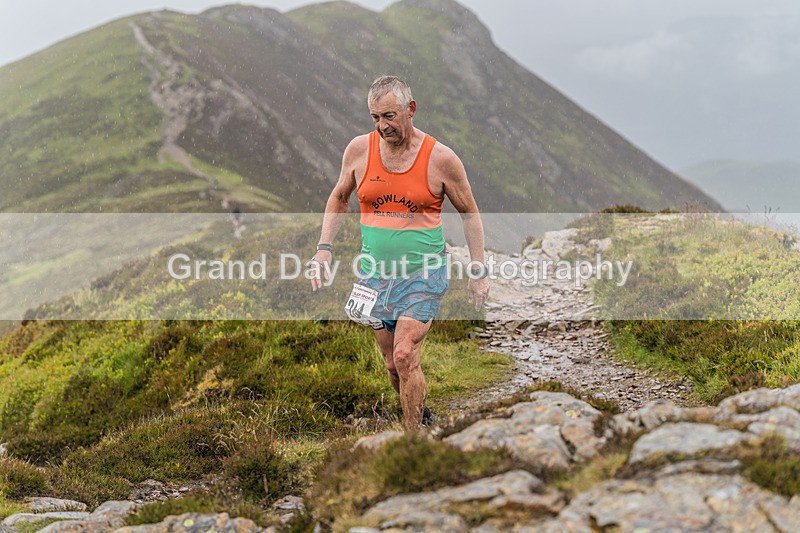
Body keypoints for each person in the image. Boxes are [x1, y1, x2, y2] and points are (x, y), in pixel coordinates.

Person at [311, 75, 489, 429]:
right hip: (374, 276)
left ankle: (412, 447)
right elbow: (339, 196)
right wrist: (324, 248)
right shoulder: (359, 151)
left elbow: (469, 212)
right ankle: (420, 415)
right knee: (393, 364)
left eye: (389, 116)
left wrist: (478, 269)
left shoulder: (441, 158)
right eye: (375, 118)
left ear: (411, 109)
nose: (382, 126)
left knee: (406, 355)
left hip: (424, 274)